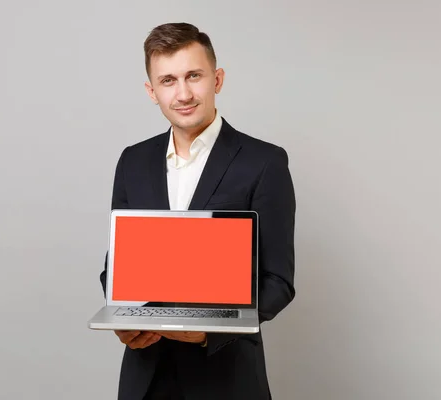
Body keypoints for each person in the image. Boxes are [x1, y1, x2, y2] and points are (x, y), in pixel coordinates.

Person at [99, 22, 296, 400]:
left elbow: (278, 282)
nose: (183, 93)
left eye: (194, 76)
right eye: (168, 80)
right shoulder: (132, 161)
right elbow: (116, 268)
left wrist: (207, 331)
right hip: (145, 378)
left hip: (226, 378)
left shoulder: (264, 162)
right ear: (151, 91)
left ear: (217, 79)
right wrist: (122, 317)